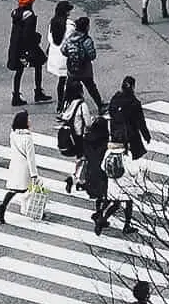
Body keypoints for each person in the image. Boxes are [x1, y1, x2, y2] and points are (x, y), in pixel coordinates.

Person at [107, 75, 152, 235]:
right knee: (134, 162)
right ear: (132, 87)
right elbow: (141, 122)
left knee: (122, 160)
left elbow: (111, 113)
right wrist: (146, 135)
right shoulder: (134, 103)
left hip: (117, 135)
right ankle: (136, 185)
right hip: (131, 137)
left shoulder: (115, 99)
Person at [0, 110, 38, 224]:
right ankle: (29, 209)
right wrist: (34, 174)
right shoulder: (27, 138)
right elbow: (31, 158)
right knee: (28, 189)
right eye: (28, 119)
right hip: (24, 168)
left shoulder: (13, 134)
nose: (30, 121)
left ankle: (3, 207)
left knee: (14, 189)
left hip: (15, 165)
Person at [7, 0, 50, 106]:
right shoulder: (29, 16)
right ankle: (38, 92)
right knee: (39, 64)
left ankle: (16, 95)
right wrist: (36, 38)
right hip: (28, 46)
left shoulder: (16, 14)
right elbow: (28, 34)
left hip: (15, 46)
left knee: (19, 70)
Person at [62, 16, 102, 106]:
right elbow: (92, 56)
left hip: (72, 69)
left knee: (68, 89)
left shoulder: (70, 38)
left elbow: (63, 50)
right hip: (85, 70)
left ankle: (62, 108)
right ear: (86, 27)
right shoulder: (86, 40)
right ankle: (100, 106)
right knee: (91, 88)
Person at [46, 1, 75, 114]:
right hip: (66, 57)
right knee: (71, 80)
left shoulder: (52, 23)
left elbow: (50, 39)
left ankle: (60, 104)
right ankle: (68, 103)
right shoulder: (70, 26)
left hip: (56, 57)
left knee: (61, 81)